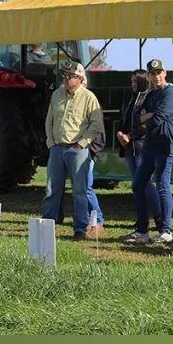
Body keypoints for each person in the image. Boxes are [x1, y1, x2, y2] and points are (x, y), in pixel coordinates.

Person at [42, 61, 105, 241]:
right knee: (52, 188)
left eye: (70, 76)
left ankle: (79, 228)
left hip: (77, 150)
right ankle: (48, 225)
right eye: (65, 75)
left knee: (80, 190)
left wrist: (82, 144)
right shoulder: (56, 95)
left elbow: (96, 125)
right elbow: (49, 120)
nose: (66, 79)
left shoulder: (89, 97)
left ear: (79, 78)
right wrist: (51, 142)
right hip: (57, 148)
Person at [122, 59, 173, 244]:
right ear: (148, 75)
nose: (156, 76)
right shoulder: (151, 94)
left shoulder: (170, 93)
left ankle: (166, 230)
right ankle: (142, 230)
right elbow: (140, 117)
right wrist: (149, 116)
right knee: (138, 184)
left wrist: (150, 116)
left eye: (159, 72)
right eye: (153, 73)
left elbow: (160, 117)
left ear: (165, 72)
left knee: (163, 186)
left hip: (164, 145)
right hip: (149, 146)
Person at [116, 70, 159, 229]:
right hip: (129, 146)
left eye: (135, 81)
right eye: (131, 81)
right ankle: (142, 220)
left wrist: (131, 135)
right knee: (136, 184)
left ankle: (158, 217)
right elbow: (125, 118)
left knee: (145, 182)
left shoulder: (148, 98)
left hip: (141, 146)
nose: (132, 84)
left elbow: (146, 123)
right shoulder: (131, 98)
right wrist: (120, 133)